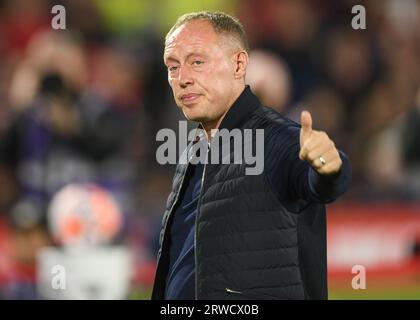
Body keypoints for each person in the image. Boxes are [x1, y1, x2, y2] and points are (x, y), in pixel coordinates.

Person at [152, 11, 351, 300]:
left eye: (197, 62)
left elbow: (320, 178)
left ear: (238, 64)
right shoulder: (191, 151)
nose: (182, 79)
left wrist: (328, 167)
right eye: (172, 67)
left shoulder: (274, 138)